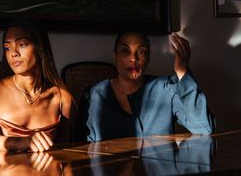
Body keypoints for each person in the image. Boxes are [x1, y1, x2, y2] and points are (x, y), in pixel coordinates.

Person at [79, 32, 215, 141]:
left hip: (161, 173)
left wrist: (182, 71)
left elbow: (204, 128)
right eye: (125, 51)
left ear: (148, 58)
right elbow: (86, 147)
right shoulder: (96, 94)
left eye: (142, 52)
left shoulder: (167, 88)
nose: (134, 58)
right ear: (115, 56)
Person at [0, 20, 73, 152]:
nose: (13, 53)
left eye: (22, 44)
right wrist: (19, 142)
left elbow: (65, 153)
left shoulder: (62, 97)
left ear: (40, 48)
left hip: (47, 171)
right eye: (7, 48)